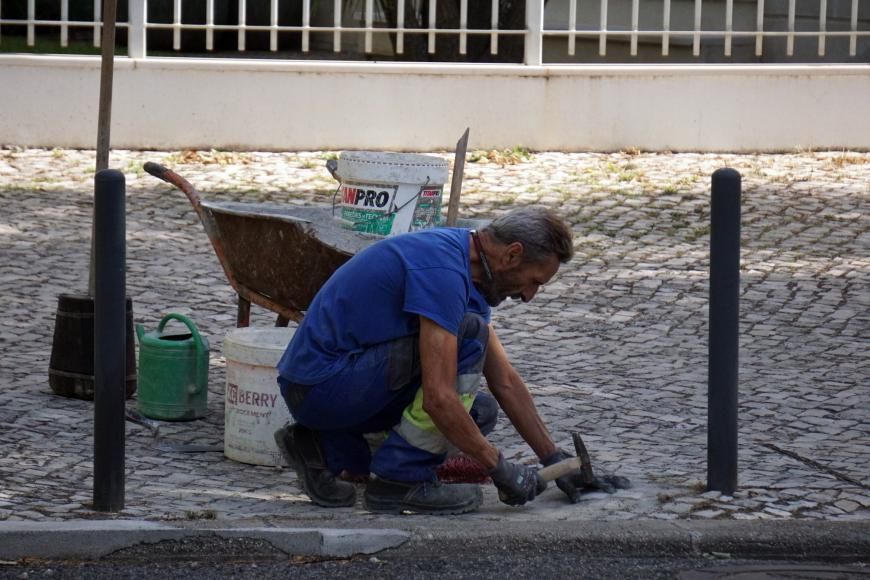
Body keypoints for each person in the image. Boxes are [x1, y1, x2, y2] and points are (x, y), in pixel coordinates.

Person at [275, 206, 623, 514]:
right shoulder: (442, 272)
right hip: (321, 384)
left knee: (478, 411)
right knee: (469, 342)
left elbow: (504, 380)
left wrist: (553, 458)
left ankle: (321, 446)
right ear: (512, 255)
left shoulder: (473, 270)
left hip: (333, 386)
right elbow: (439, 398)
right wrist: (499, 468)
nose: (529, 296)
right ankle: (400, 480)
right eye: (534, 282)